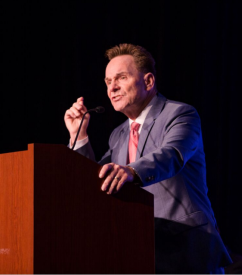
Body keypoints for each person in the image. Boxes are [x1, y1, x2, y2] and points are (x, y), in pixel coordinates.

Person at [64, 43, 232, 273]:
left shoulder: (180, 114)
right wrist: (79, 135)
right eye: (108, 82)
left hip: (186, 249)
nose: (112, 88)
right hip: (137, 250)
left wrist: (131, 171)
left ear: (149, 81)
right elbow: (94, 180)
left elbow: (171, 155)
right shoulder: (119, 134)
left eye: (121, 78)